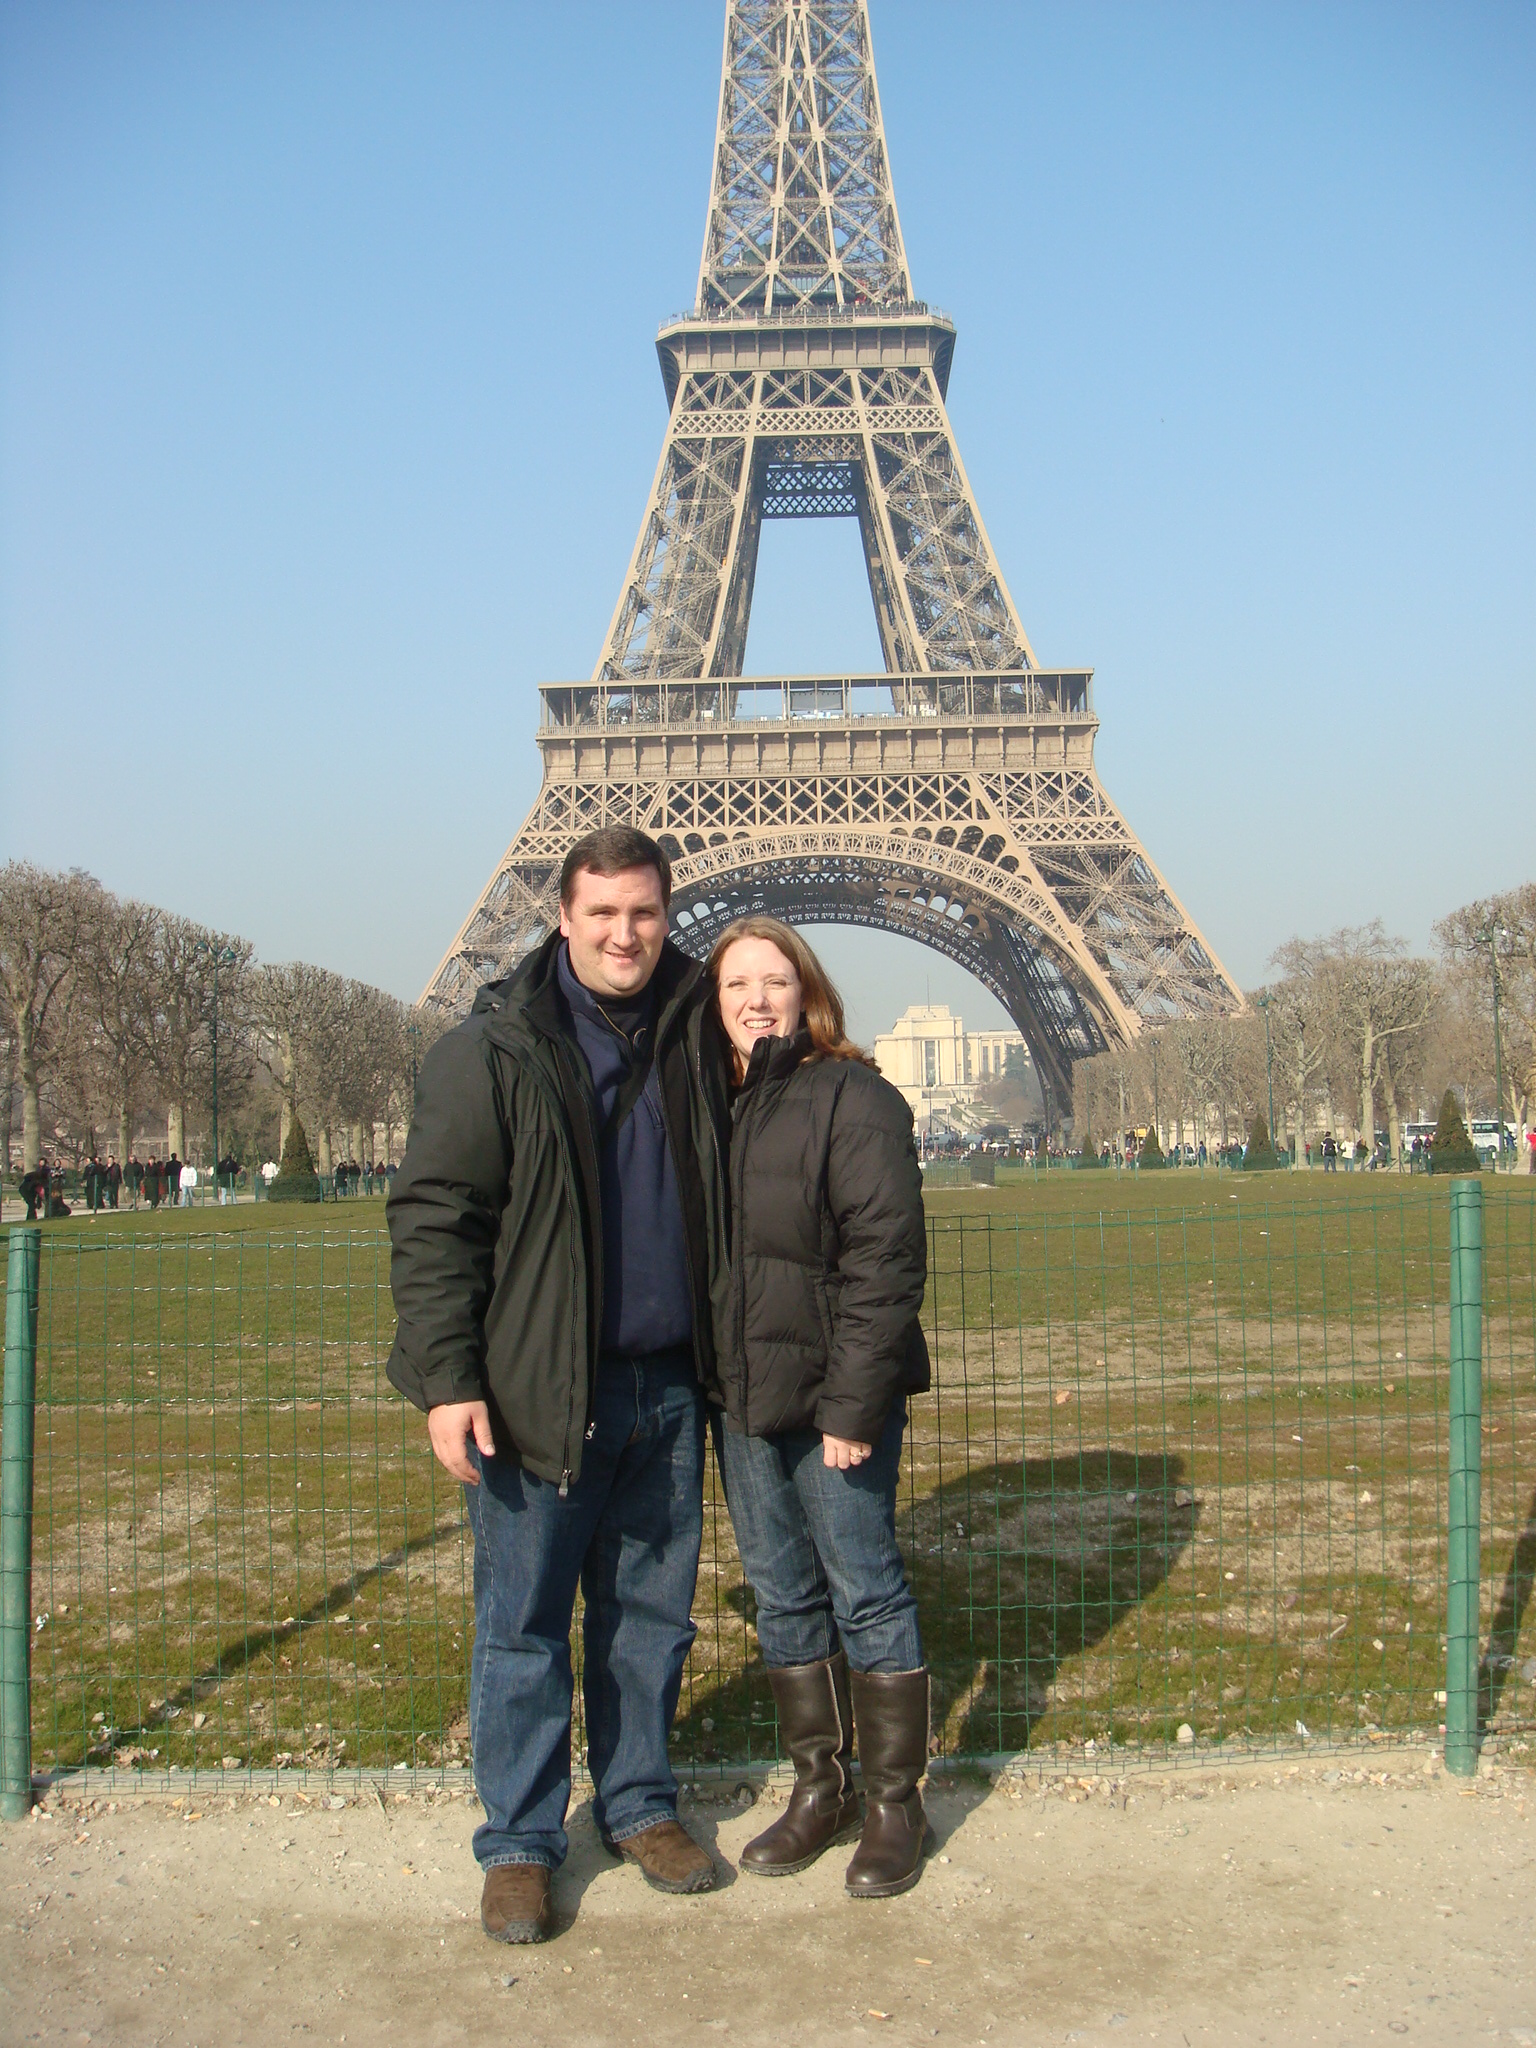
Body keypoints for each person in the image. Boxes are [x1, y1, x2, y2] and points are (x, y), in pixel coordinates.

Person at [387, 826, 731, 1947]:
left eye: (643, 912)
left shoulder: (706, 1026)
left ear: (665, 911)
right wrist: (448, 1379)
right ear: (563, 918)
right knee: (522, 1624)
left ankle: (638, 1802)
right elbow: (439, 1218)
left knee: (650, 1617)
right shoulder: (490, 1048)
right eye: (602, 914)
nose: (624, 934)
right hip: (541, 1386)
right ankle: (523, 1842)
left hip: (668, 1384)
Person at [706, 917, 932, 1899]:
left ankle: (896, 1804)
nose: (757, 997)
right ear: (713, 1004)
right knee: (784, 1591)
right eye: (736, 983)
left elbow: (886, 1262)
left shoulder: (855, 1095)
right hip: (743, 1397)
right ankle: (820, 1786)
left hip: (833, 1397)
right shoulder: (709, 1106)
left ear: (808, 990)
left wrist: (854, 1402)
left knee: (866, 1587)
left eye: (774, 978)